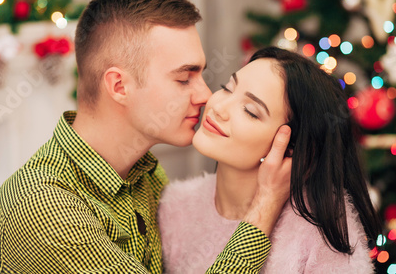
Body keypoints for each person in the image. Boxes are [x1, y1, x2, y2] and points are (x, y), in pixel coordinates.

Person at [0, 0, 292, 273]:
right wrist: (265, 206)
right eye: (184, 78)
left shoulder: (146, 175)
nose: (206, 95)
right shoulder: (43, 207)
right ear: (119, 86)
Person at [159, 46, 382, 273]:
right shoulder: (174, 207)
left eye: (250, 110)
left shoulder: (320, 233)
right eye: (227, 88)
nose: (218, 107)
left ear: (290, 149)